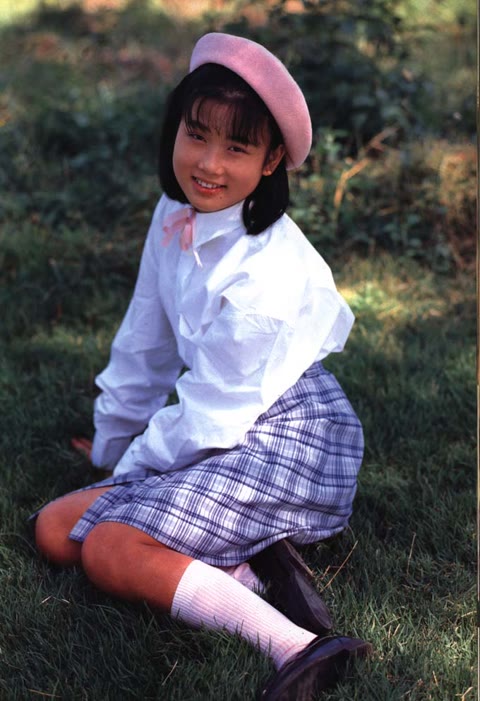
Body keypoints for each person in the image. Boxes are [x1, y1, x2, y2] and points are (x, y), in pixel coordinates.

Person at [34, 33, 372, 699]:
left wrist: (130, 475)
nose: (209, 164)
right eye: (197, 135)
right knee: (53, 530)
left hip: (290, 439)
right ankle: (252, 566)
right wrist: (111, 445)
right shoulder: (174, 213)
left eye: (237, 147)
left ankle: (301, 644)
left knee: (108, 546)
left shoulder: (269, 274)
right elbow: (145, 342)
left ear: (272, 160)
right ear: (177, 129)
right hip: (223, 422)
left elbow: (213, 415)